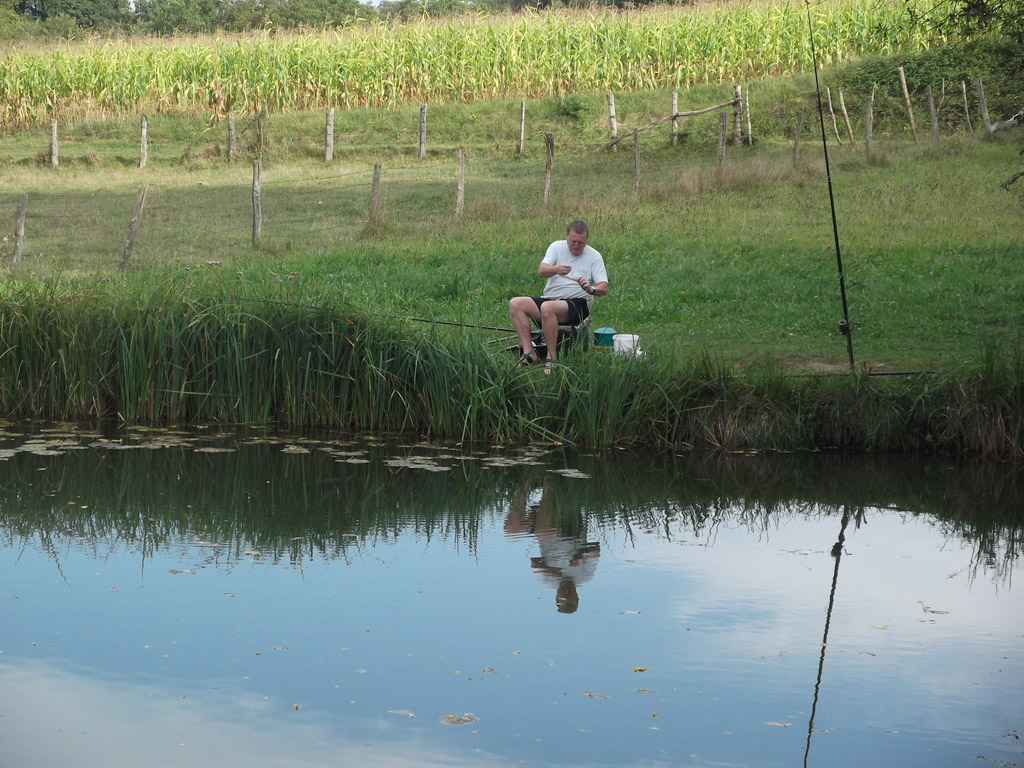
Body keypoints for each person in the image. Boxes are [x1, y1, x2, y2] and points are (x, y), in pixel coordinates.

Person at [508, 220, 609, 373]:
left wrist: (591, 289)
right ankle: (529, 353)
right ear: (566, 237)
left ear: (586, 240)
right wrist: (555, 269)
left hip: (577, 303)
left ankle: (552, 357)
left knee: (547, 307)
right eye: (573, 241)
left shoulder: (594, 256)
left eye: (581, 243)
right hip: (550, 299)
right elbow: (542, 271)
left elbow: (603, 287)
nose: (577, 245)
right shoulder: (556, 247)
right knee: (515, 303)